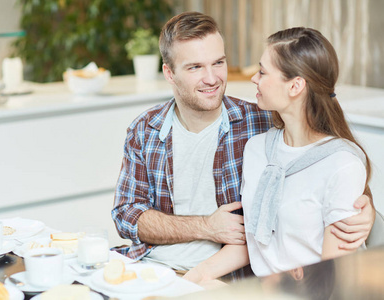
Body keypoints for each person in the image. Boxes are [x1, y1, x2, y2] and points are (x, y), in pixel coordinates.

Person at [112, 12, 374, 278]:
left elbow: (330, 164)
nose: (212, 78)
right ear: (169, 73)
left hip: (235, 280)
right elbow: (125, 214)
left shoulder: (259, 122)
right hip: (154, 266)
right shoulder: (146, 129)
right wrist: (205, 228)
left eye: (218, 63)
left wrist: (364, 212)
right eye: (195, 67)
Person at [183, 26, 373, 284]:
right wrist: (195, 277)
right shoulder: (257, 149)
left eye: (262, 71)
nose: (254, 79)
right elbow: (256, 240)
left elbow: (335, 278)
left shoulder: (341, 164)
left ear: (295, 86)